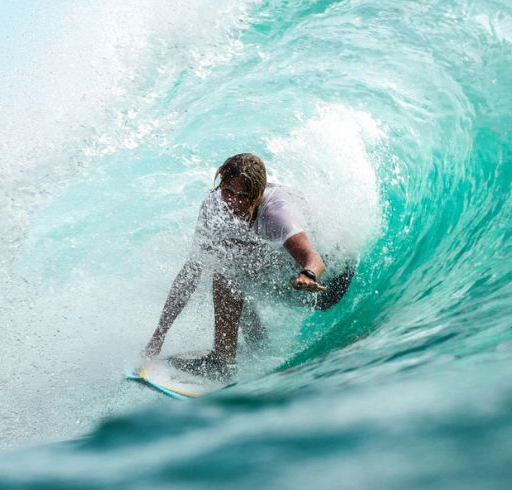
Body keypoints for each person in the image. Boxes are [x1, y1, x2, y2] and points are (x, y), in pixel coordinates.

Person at [144, 153, 354, 381]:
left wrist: (307, 274)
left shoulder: (277, 213)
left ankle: (224, 361)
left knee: (228, 272)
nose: (233, 202)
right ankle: (252, 348)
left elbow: (314, 258)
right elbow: (191, 272)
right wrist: (159, 334)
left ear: (258, 194)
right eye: (228, 192)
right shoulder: (214, 206)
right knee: (225, 261)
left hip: (325, 286)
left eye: (243, 196)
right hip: (283, 276)